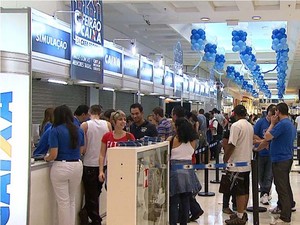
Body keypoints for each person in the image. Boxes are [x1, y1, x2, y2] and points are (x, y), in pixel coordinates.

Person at [44, 105, 84, 225]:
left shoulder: (54, 130)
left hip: (61, 166)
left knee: (63, 203)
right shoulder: (79, 130)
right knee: (71, 200)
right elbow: (82, 150)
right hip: (77, 165)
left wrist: (46, 158)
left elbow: (53, 154)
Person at [257, 102, 296, 225]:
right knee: (284, 185)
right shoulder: (289, 123)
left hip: (281, 159)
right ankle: (284, 206)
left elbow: (267, 135)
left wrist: (272, 123)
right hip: (285, 158)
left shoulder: (282, 124)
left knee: (281, 187)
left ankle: (285, 216)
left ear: (278, 112)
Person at [80, 105, 112, 225]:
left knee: (90, 194)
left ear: (89, 113)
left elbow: (82, 147)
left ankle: (95, 219)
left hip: (89, 162)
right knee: (97, 192)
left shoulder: (85, 125)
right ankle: (92, 216)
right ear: (101, 113)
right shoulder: (107, 125)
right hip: (103, 164)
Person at [171, 105, 204, 222]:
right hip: (188, 171)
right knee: (185, 201)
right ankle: (184, 222)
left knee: (174, 202)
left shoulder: (171, 140)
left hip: (174, 172)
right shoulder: (193, 141)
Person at [223, 105, 254, 225]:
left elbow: (232, 144)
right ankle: (242, 213)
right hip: (246, 162)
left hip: (236, 163)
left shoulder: (236, 126)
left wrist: (225, 158)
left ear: (235, 114)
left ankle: (240, 217)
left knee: (238, 191)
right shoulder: (249, 125)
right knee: (245, 190)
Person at [99, 110, 135, 185]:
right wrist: (101, 171)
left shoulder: (129, 136)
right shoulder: (107, 136)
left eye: (124, 119)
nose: (123, 121)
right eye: (120, 119)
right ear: (114, 121)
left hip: (125, 169)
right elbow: (102, 155)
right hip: (111, 168)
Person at [253, 104, 276, 205]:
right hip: (260, 153)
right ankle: (264, 190)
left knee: (269, 175)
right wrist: (263, 142)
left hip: (272, 154)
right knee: (260, 174)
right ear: (268, 114)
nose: (272, 117)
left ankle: (265, 193)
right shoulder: (260, 122)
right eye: (271, 114)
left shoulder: (277, 123)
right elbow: (253, 135)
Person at [221, 115, 237, 215]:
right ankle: (225, 205)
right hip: (231, 160)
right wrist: (226, 159)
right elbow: (225, 144)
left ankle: (235, 203)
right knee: (228, 184)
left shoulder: (234, 131)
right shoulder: (228, 132)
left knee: (236, 184)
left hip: (236, 160)